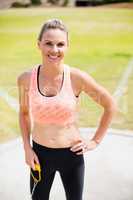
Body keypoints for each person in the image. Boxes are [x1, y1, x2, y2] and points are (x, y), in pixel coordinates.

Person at [17, 19, 117, 200]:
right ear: (39, 44)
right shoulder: (25, 79)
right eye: (48, 43)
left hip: (71, 155)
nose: (54, 50)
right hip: (40, 155)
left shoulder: (77, 78)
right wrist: (27, 148)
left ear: (67, 46)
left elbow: (110, 105)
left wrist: (95, 141)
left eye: (60, 44)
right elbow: (24, 114)